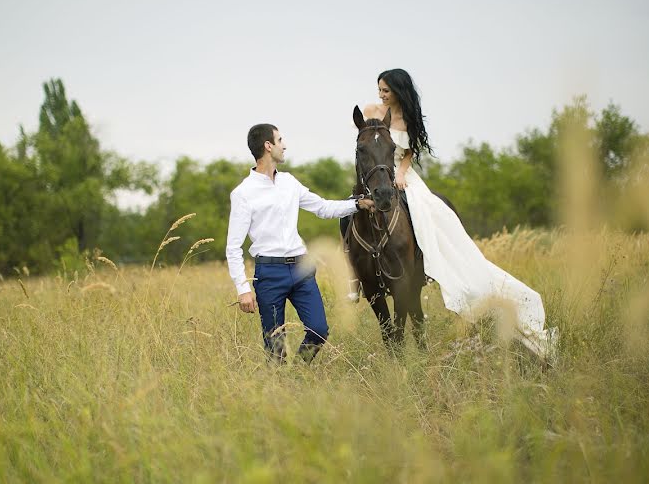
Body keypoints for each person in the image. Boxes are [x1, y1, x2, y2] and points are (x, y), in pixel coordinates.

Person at [358, 69, 557, 359]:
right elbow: (369, 146)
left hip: (401, 176)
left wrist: (401, 173)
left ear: (399, 91)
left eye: (386, 90)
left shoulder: (409, 118)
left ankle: (423, 263)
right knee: (351, 213)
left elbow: (408, 153)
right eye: (379, 89)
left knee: (428, 213)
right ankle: (356, 274)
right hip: (377, 175)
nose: (381, 95)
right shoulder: (371, 111)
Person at [226, 123, 376, 362]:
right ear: (268, 146)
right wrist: (242, 289)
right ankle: (281, 388)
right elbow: (233, 247)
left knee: (319, 330)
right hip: (269, 273)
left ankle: (298, 372)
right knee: (275, 346)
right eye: (280, 140)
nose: (284, 145)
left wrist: (356, 204)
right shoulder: (243, 193)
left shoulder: (289, 182)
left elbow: (323, 207)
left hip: (301, 269)